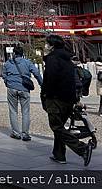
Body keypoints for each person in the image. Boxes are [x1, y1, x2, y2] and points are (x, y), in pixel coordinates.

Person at [41, 35, 93, 166]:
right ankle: (59, 155)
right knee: (60, 127)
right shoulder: (68, 60)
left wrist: (46, 95)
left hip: (56, 98)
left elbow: (50, 80)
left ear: (52, 45)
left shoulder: (53, 59)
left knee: (57, 127)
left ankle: (82, 149)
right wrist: (75, 99)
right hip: (68, 98)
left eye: (47, 44)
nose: (45, 46)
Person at [2, 46, 43, 141]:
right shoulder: (27, 62)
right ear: (22, 53)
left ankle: (16, 133)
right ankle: (25, 134)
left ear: (14, 53)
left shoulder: (8, 63)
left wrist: (8, 82)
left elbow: (4, 75)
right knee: (25, 111)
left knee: (13, 110)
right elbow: (36, 73)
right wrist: (42, 84)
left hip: (12, 87)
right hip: (24, 88)